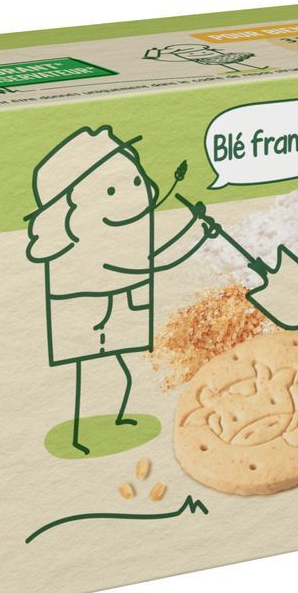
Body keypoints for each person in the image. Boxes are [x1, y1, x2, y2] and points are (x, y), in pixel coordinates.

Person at [25, 126, 213, 454]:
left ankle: (118, 418)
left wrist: (193, 230)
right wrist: (194, 235)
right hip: (84, 307)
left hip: (118, 302)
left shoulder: (126, 236)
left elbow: (149, 258)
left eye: (137, 181)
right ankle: (78, 435)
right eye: (112, 190)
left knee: (122, 373)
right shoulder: (91, 248)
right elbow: (148, 266)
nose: (135, 194)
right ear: (73, 210)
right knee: (85, 374)